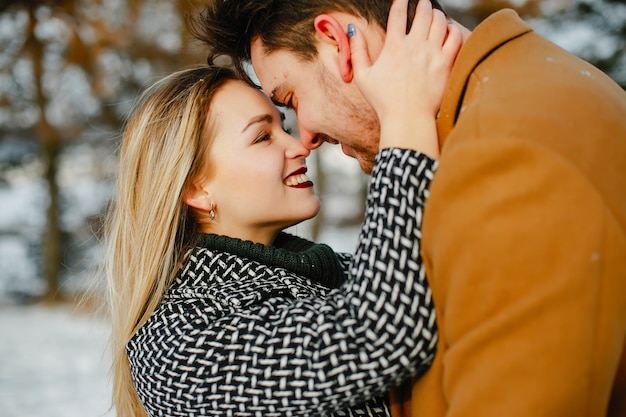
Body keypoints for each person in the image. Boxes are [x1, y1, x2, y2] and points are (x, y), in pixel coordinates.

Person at [193, 0, 626, 415]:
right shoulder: (513, 103)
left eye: (290, 101)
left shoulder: (506, 152)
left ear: (340, 43)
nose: (304, 138)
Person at [104, 3, 461, 416]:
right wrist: (403, 113)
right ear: (195, 188)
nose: (299, 146)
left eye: (284, 126)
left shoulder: (342, 272)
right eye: (262, 137)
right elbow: (378, 332)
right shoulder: (177, 341)